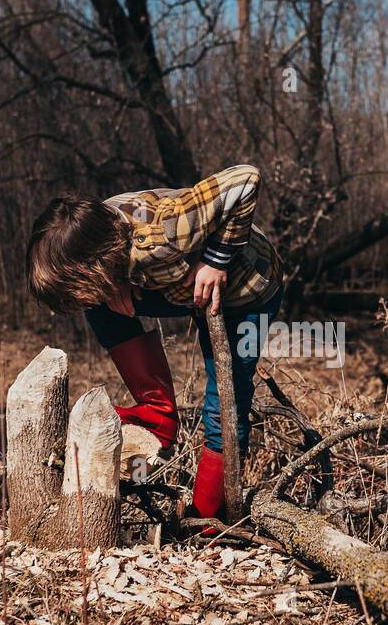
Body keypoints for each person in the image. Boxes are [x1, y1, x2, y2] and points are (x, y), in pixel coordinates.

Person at [26, 165, 282, 520]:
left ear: (95, 264)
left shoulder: (165, 233)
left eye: (79, 286)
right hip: (178, 285)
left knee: (224, 406)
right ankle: (158, 417)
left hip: (246, 290)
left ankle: (207, 523)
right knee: (97, 306)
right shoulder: (94, 234)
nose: (75, 302)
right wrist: (112, 286)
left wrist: (215, 261)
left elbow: (246, 179)